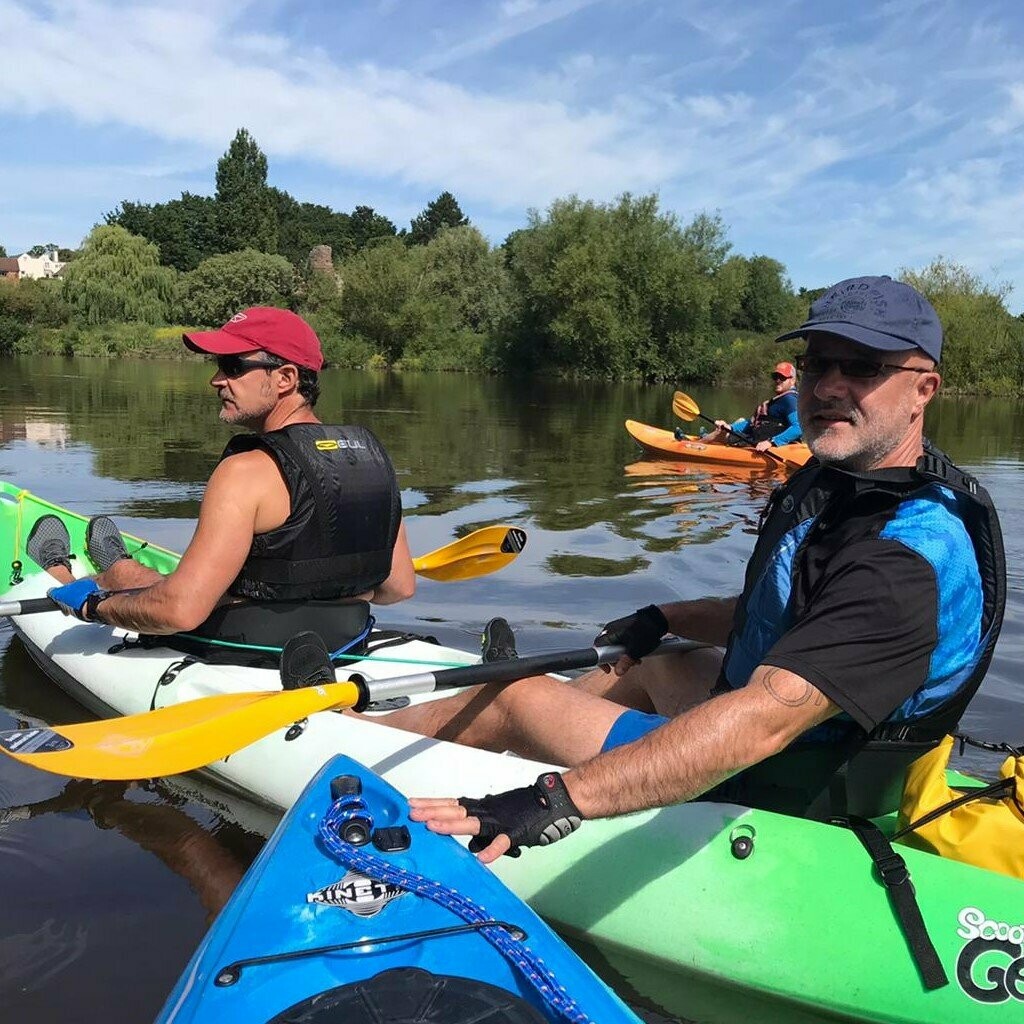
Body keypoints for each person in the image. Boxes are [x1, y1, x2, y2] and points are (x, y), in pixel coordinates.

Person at [386, 275, 1003, 863]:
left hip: (786, 789)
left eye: (863, 367)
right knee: (665, 656)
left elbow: (765, 720)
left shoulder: (904, 556)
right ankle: (530, 751)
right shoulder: (855, 484)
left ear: (925, 388)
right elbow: (787, 609)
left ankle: (359, 743)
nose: (829, 387)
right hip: (809, 753)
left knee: (514, 694)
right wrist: (665, 615)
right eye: (818, 364)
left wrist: (562, 800)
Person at [27, 307, 415, 646]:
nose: (216, 380)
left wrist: (95, 608)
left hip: (244, 648)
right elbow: (398, 586)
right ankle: (114, 565)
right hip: (339, 643)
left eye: (232, 367)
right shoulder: (374, 459)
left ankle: (67, 574)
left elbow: (179, 611)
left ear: (285, 378)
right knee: (170, 581)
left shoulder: (244, 472)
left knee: (143, 582)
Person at [683, 360, 801, 452]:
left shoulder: (789, 400)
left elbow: (798, 428)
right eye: (776, 377)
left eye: (783, 377)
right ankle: (705, 438)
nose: (778, 380)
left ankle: (695, 446)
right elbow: (752, 424)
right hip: (755, 439)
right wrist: (731, 427)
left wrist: (772, 442)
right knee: (734, 424)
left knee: (721, 433)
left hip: (765, 445)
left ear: (792, 380)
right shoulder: (781, 400)